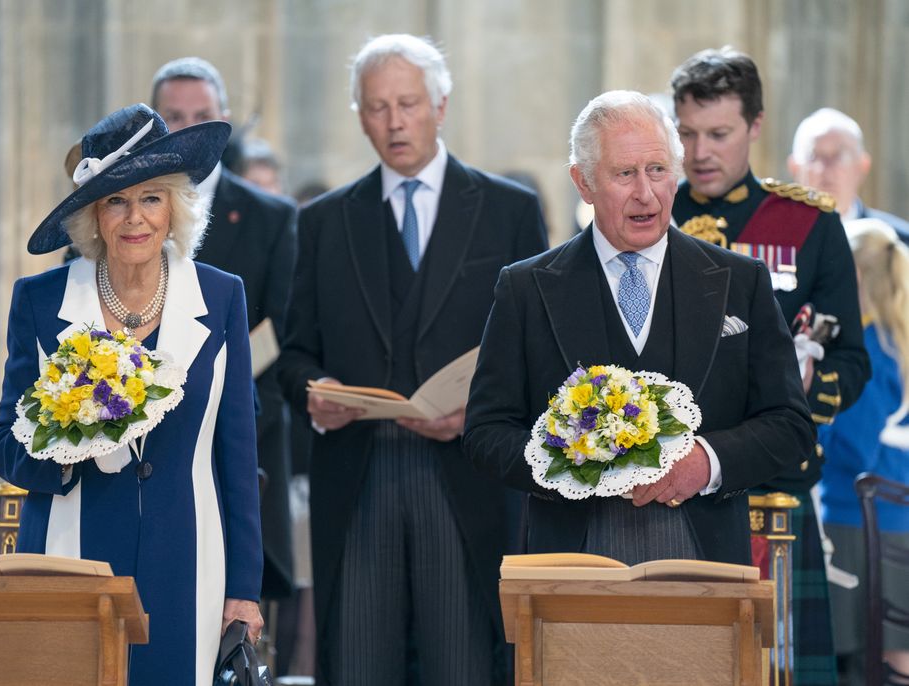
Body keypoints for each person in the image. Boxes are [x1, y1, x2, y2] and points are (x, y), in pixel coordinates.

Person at [277, 33, 548, 685]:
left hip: (466, 482)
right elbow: (293, 355)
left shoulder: (509, 212)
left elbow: (541, 351)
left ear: (440, 105)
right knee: (358, 665)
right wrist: (314, 393)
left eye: (407, 103)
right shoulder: (324, 222)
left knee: (462, 665)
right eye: (376, 107)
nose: (394, 122)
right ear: (361, 116)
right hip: (357, 478)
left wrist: (478, 414)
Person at [464, 90, 814, 569]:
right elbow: (485, 432)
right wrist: (566, 460)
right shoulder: (525, 288)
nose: (645, 194)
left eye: (657, 170)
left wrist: (706, 462)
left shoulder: (741, 280)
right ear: (582, 183)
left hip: (704, 558)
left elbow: (789, 424)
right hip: (571, 563)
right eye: (624, 174)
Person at [0, 103, 264, 684]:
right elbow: (2, 442)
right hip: (68, 557)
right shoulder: (40, 301)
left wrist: (244, 589)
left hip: (189, 562)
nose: (135, 218)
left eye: (151, 198)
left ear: (175, 208)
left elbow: (237, 456)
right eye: (116, 200)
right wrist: (62, 441)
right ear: (93, 215)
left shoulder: (221, 297)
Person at [669, 47, 870, 686]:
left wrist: (805, 394)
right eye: (688, 133)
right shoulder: (648, 215)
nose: (701, 151)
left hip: (772, 487)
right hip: (661, 488)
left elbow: (852, 360)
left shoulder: (806, 222)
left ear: (755, 126)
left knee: (776, 673)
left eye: (719, 134)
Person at [152, 56, 298, 602]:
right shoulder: (117, 212)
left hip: (242, 433)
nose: (190, 129)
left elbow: (282, 329)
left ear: (225, 121)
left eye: (202, 115)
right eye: (174, 116)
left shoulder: (272, 216)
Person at [818, 218, 909, 682]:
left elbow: (854, 449)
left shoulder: (870, 348)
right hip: (894, 518)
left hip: (859, 522)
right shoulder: (899, 341)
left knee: (868, 664)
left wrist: (813, 428)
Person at [788, 107, 909, 242]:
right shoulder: (773, 238)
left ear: (862, 166)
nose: (825, 168)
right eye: (813, 156)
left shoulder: (897, 244)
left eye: (840, 156)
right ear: (794, 167)